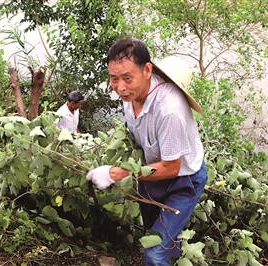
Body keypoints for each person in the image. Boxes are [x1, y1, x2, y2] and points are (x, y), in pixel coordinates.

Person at [86, 38, 208, 265]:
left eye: (127, 78)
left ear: (148, 70)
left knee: (153, 251)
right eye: (114, 79)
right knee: (158, 236)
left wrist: (116, 173)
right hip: (151, 176)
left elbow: (172, 168)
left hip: (183, 181)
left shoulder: (170, 110)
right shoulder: (129, 95)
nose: (120, 87)